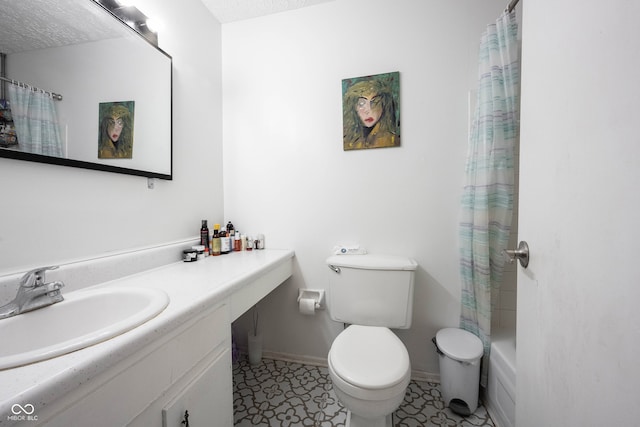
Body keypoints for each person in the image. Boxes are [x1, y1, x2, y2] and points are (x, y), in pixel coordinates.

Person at [342, 77, 400, 150]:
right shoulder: (347, 142)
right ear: (354, 108)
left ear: (383, 105)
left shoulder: (392, 140)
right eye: (361, 103)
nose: (369, 110)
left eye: (375, 102)